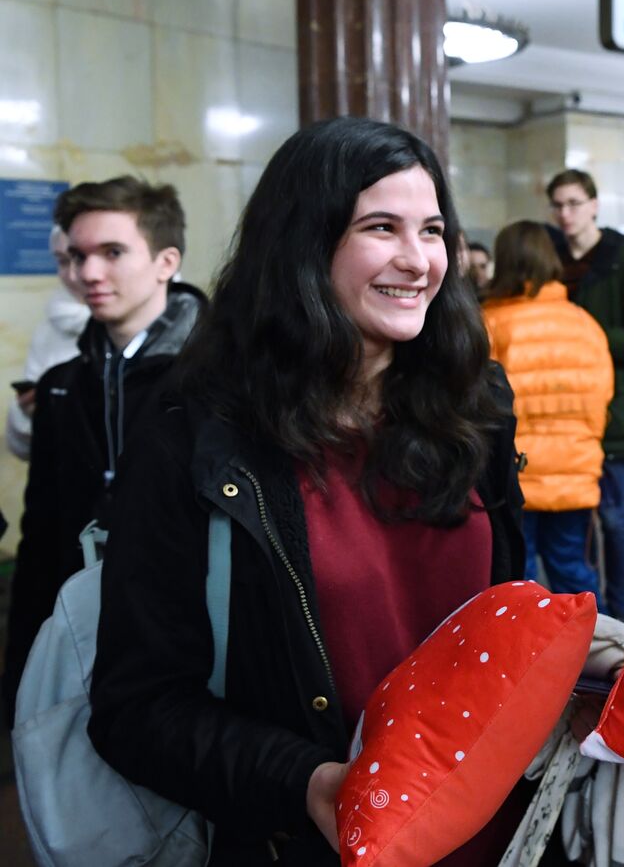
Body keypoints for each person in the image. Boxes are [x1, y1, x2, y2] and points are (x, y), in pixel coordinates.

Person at [86, 118, 530, 865]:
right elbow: (135, 708)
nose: (418, 259)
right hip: (317, 840)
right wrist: (308, 781)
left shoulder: (473, 398)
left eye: (432, 230)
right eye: (380, 227)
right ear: (303, 241)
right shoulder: (196, 433)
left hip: (494, 826)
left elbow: (497, 604)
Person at [2, 177, 203, 726]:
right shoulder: (64, 384)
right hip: (86, 629)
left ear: (166, 262)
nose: (88, 274)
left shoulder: (219, 376)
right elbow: (42, 533)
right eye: (77, 255)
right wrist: (21, 669)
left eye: (112, 253)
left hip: (195, 640)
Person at [547, 169, 624, 620]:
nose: (565, 213)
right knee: (574, 520)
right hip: (564, 414)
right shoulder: (552, 257)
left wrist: (586, 336)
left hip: (613, 411)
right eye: (558, 204)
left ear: (594, 205)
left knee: (614, 517)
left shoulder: (622, 257)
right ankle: (586, 616)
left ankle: (620, 617)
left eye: (574, 203)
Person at [481, 220, 613, 600]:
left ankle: (528, 658)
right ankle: (597, 652)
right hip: (574, 475)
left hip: (514, 478)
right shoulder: (586, 325)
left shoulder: (489, 324)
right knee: (574, 572)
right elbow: (601, 401)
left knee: (517, 579)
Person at [5, 226, 90, 460]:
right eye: (63, 261)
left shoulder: (164, 330)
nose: (73, 275)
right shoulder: (50, 329)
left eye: (81, 258)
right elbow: (26, 451)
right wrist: (28, 413)